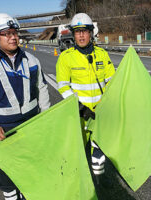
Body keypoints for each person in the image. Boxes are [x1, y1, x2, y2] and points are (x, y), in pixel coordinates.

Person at [0, 13, 50, 200]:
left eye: (15, 33)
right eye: (7, 33)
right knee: (7, 170)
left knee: (31, 166)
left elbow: (42, 89)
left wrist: (46, 118)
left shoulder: (31, 60)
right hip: (2, 129)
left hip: (32, 125)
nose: (13, 37)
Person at [56, 13, 115, 187]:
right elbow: (63, 87)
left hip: (99, 113)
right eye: (77, 32)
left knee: (99, 149)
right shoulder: (66, 58)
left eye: (84, 31)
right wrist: (80, 107)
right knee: (79, 151)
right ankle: (82, 183)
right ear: (73, 35)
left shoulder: (102, 55)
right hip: (78, 114)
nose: (81, 35)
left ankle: (100, 181)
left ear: (91, 33)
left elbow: (112, 80)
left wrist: (111, 102)